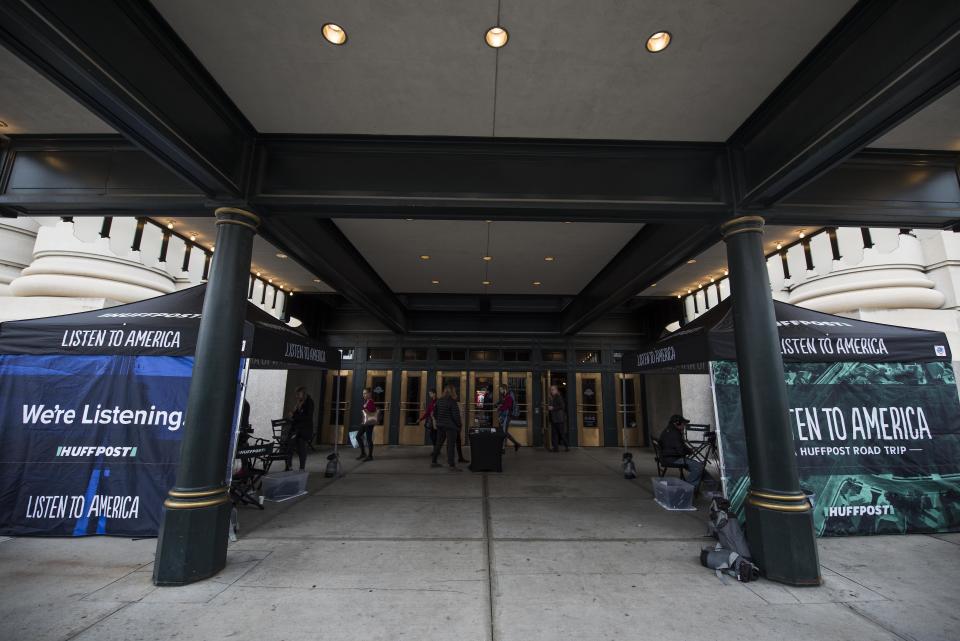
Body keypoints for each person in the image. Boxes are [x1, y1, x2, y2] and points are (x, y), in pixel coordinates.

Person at [657, 414, 703, 487]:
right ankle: (686, 487)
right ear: (677, 423)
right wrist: (690, 451)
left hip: (668, 456)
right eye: (683, 424)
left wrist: (688, 450)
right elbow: (681, 451)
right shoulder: (675, 433)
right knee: (699, 467)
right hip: (672, 458)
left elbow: (679, 446)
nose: (684, 426)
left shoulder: (668, 430)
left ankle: (711, 484)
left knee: (698, 467)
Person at [431, 384, 464, 471]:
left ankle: (433, 461)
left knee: (439, 443)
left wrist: (439, 421)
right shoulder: (452, 402)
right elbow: (456, 416)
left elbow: (434, 413)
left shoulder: (439, 401)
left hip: (441, 425)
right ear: (453, 392)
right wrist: (459, 425)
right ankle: (451, 465)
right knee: (450, 445)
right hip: (451, 427)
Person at [285, 387, 314, 471]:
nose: (297, 396)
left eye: (298, 394)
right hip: (295, 429)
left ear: (303, 393)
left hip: (303, 430)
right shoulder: (299, 402)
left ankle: (302, 468)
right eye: (296, 394)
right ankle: (288, 466)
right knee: (288, 446)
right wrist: (292, 413)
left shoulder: (309, 402)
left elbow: (307, 417)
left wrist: (293, 416)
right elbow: (296, 414)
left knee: (301, 449)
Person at [497, 384, 521, 453]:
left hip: (507, 415)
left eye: (501, 389)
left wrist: (500, 408)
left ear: (504, 389)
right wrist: (497, 404)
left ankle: (503, 448)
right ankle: (516, 444)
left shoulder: (509, 395)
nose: (500, 391)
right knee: (505, 431)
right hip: (504, 415)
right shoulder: (505, 395)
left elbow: (508, 405)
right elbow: (504, 402)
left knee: (504, 431)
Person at [546, 384, 570, 452]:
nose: (551, 391)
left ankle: (567, 446)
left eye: (553, 389)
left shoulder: (559, 397)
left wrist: (553, 408)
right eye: (551, 390)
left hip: (559, 419)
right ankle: (555, 448)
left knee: (561, 433)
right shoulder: (552, 397)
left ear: (556, 390)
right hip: (554, 419)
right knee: (554, 434)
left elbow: (562, 406)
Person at [356, 388, 377, 461]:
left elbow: (372, 412)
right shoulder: (366, 401)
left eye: (365, 393)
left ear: (369, 394)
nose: (363, 395)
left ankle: (370, 456)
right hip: (365, 422)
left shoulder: (371, 402)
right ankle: (363, 453)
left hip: (369, 423)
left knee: (368, 439)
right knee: (358, 436)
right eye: (363, 393)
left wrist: (365, 410)